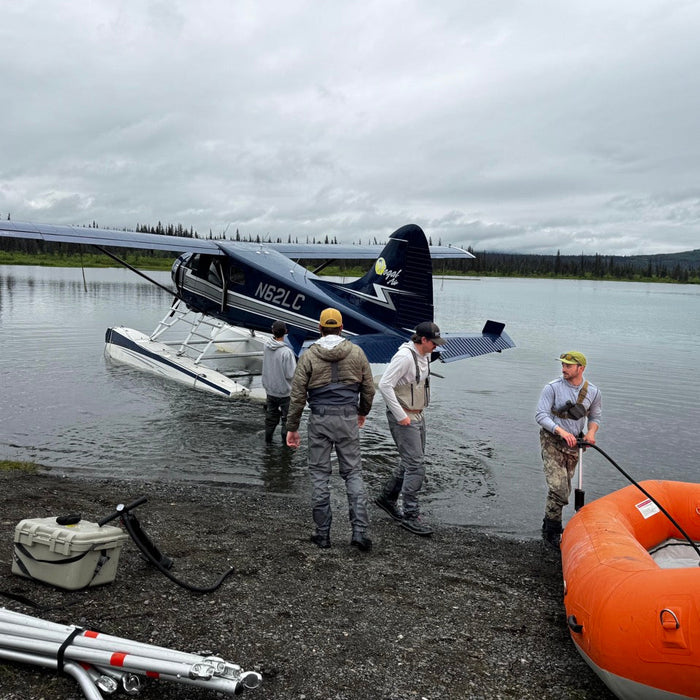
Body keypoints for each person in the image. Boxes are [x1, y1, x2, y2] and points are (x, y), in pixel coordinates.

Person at [286, 308, 375, 552]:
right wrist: (362, 412)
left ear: (319, 328)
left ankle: (322, 534)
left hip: (320, 419)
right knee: (353, 473)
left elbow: (297, 396)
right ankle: (359, 532)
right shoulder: (357, 352)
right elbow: (369, 389)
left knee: (319, 475)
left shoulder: (309, 355)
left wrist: (291, 427)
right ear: (342, 326)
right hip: (347, 418)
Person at [374, 321, 445, 536]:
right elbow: (385, 384)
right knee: (416, 466)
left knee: (411, 461)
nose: (437, 346)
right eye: (434, 343)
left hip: (417, 415)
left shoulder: (423, 355)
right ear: (423, 340)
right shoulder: (404, 357)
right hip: (405, 417)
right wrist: (401, 415)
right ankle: (410, 514)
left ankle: (387, 498)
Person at [535, 351, 602, 548]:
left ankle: (549, 523)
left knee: (564, 487)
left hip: (575, 446)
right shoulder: (552, 388)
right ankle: (552, 531)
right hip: (552, 441)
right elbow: (540, 415)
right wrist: (561, 431)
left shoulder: (594, 392)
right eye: (563, 365)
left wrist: (591, 433)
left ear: (581, 368)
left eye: (568, 366)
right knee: (560, 489)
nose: (563, 369)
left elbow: (595, 417)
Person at [261, 320, 296, 445]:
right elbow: (290, 374)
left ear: (272, 331)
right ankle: (285, 445)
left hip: (270, 391)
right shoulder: (287, 352)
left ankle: (268, 442)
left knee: (270, 418)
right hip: (285, 393)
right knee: (287, 420)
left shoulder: (266, 346)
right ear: (286, 332)